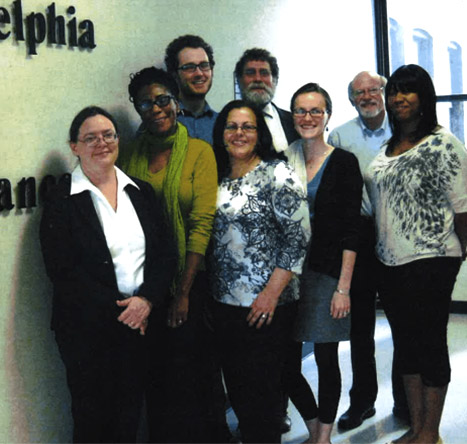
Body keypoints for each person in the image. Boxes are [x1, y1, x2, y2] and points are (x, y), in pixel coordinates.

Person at [39, 106, 175, 443]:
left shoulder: (141, 192)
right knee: (93, 418)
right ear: (74, 147)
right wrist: (125, 312)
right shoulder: (61, 202)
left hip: (142, 323)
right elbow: (64, 272)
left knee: (130, 414)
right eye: (90, 138)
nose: (102, 143)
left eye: (108, 135)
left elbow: (165, 253)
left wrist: (145, 301)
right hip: (88, 332)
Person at [365, 64, 467, 444]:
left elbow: (463, 208)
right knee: (406, 347)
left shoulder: (444, 143)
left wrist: (457, 256)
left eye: (408, 91)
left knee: (430, 345)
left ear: (425, 97)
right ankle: (416, 427)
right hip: (389, 261)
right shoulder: (387, 147)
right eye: (394, 92)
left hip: (432, 260)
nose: (398, 98)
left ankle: (431, 432)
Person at [118, 67, 218, 442]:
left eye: (163, 99)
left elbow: (201, 224)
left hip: (187, 284)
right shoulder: (127, 155)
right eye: (146, 102)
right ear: (137, 108)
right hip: (145, 288)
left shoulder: (198, 151)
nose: (156, 109)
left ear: (176, 101)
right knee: (156, 382)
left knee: (191, 380)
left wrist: (183, 293)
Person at [209, 100, 311, 443]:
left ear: (260, 133)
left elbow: (297, 240)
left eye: (247, 126)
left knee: (265, 396)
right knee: (238, 391)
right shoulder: (217, 176)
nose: (239, 133)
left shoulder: (277, 173)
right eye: (232, 126)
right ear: (221, 133)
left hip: (269, 305)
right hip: (224, 302)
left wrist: (269, 295)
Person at [328, 71, 408, 430]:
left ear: (385, 92)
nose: (367, 96)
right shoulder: (341, 137)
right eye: (359, 92)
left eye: (373, 89)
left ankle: (407, 401)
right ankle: (362, 402)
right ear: (351, 99)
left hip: (400, 234)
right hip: (359, 238)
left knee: (403, 324)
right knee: (360, 330)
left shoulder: (407, 129)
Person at [284, 83, 363, 443]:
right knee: (285, 363)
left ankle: (323, 436)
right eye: (300, 110)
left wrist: (343, 289)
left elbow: (351, 229)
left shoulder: (344, 162)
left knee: (327, 358)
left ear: (328, 115)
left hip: (327, 274)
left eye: (316, 110)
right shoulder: (281, 160)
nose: (308, 117)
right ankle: (314, 421)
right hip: (285, 276)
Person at [235, 48, 299, 153]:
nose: (258, 79)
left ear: (275, 80)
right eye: (250, 73)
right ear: (239, 79)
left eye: (264, 73)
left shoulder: (293, 122)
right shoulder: (226, 122)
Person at [164, 34, 218, 145]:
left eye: (204, 65)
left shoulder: (223, 123)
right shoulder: (160, 123)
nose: (199, 73)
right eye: (189, 67)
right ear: (174, 75)